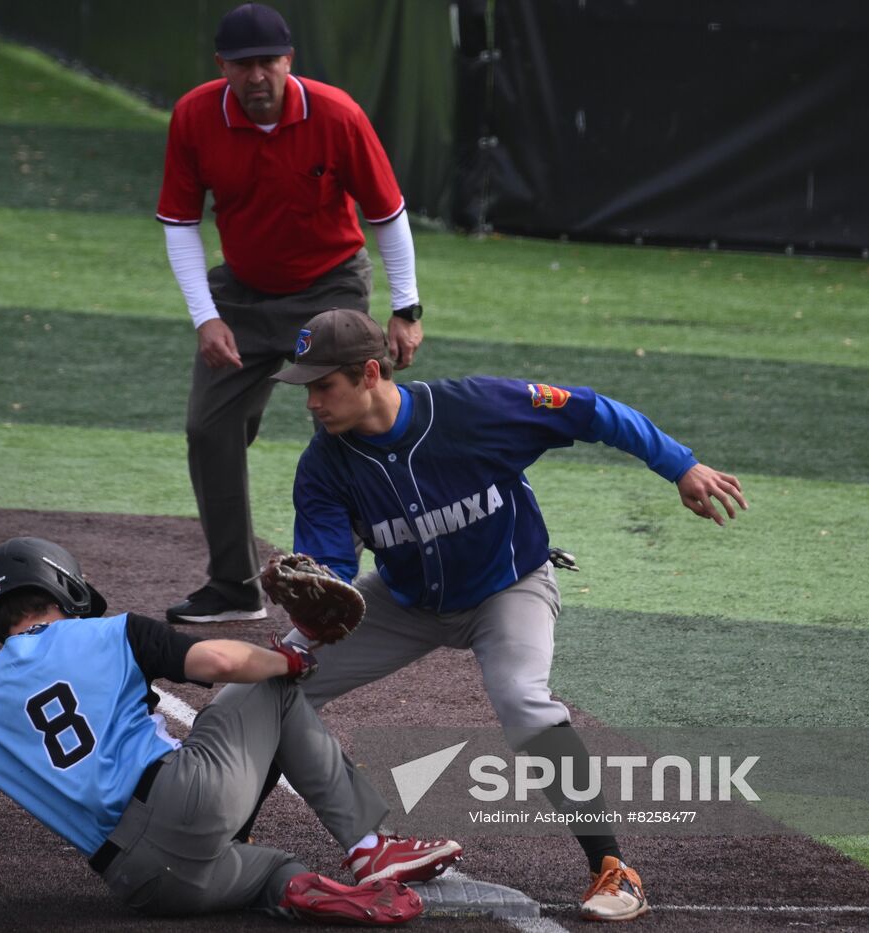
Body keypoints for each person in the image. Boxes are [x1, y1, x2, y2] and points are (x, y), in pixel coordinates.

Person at [264, 309, 749, 923]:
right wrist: (317, 597)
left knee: (522, 700)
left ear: (368, 373)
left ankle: (612, 866)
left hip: (508, 587)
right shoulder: (325, 464)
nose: (311, 402)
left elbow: (591, 410)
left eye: (322, 385)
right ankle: (252, 840)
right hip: (403, 602)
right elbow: (332, 570)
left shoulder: (474, 409)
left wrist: (680, 465)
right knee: (279, 683)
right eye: (305, 387)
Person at [0, 536, 461, 924]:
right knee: (265, 686)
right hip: (188, 800)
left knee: (273, 873)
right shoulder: (107, 631)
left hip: (144, 885)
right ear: (66, 588)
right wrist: (292, 657)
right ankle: (368, 848)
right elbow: (220, 663)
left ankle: (303, 890)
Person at [156, 2, 425, 625]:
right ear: (222, 65)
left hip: (328, 289)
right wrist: (206, 318)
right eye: (243, 64)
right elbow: (178, 224)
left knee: (345, 420)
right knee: (210, 427)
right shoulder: (196, 115)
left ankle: (341, 574)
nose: (257, 77)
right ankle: (234, 586)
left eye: (268, 62)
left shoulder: (336, 114)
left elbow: (387, 214)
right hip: (243, 294)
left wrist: (405, 309)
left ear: (289, 61)